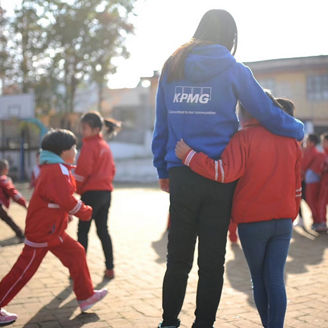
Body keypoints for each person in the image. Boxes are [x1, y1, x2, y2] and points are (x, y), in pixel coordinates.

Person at [151, 9, 304, 328]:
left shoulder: (173, 65)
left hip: (181, 172)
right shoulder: (235, 69)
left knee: (177, 257)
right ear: (231, 38)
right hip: (221, 176)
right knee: (212, 261)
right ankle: (203, 323)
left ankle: (168, 322)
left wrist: (162, 169)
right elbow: (265, 111)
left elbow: (161, 123)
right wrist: (297, 128)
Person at [175, 96, 301, 328]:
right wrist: (291, 214)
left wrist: (190, 156)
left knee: (259, 280)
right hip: (284, 220)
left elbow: (225, 172)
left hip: (253, 222)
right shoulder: (291, 140)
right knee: (275, 279)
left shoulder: (243, 138)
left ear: (245, 112)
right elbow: (297, 185)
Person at [0, 129, 108, 326]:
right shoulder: (56, 169)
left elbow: (56, 199)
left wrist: (66, 215)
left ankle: (85, 297)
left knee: (76, 252)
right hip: (42, 231)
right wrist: (85, 212)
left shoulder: (57, 167)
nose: (76, 150)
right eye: (74, 147)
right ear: (62, 151)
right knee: (23, 271)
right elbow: (65, 199)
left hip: (53, 230)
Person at [74, 112, 120, 280]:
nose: (82, 131)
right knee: (103, 230)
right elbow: (112, 170)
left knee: (82, 232)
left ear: (95, 129)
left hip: (91, 194)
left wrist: (77, 189)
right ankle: (110, 268)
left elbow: (82, 171)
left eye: (84, 128)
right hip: (106, 194)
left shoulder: (89, 146)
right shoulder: (105, 146)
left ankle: (79, 271)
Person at [0, 159, 26, 242]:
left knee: (7, 219)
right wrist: (23, 203)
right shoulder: (4, 180)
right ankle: (21, 235)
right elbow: (14, 193)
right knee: (8, 219)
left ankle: (20, 234)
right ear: (5, 169)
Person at [301, 134, 322, 230]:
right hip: (308, 181)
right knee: (311, 201)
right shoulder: (310, 151)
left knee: (312, 201)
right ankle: (317, 221)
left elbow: (303, 166)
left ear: (312, 143)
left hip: (310, 182)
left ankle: (318, 222)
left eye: (307, 140)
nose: (306, 142)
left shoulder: (313, 152)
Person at [315, 133, 328, 232]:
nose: (322, 144)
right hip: (324, 181)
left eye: (324, 141)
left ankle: (322, 223)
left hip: (325, 182)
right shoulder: (324, 153)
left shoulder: (324, 154)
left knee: (322, 202)